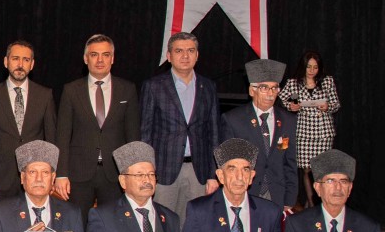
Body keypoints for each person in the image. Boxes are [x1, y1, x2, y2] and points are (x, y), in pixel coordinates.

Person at [54, 35, 141, 216]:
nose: (100, 60)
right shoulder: (71, 90)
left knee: (114, 224)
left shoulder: (127, 89)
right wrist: (61, 174)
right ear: (86, 59)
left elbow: (133, 137)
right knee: (77, 224)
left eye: (105, 54)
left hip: (115, 174)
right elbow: (62, 135)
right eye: (94, 55)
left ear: (112, 58)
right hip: (79, 173)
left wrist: (132, 174)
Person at [140, 32, 222, 221]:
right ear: (169, 56)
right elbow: (145, 133)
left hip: (199, 171)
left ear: (197, 55)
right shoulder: (154, 86)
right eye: (179, 51)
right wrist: (147, 172)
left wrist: (213, 175)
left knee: (195, 225)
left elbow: (214, 133)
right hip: (163, 171)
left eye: (190, 51)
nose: (185, 56)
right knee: (163, 223)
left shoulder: (208, 87)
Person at [0, 41, 56, 201]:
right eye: (15, 59)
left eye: (26, 60)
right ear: (6, 62)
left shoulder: (45, 95)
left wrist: (52, 175)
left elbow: (51, 139)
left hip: (34, 178)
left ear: (32, 64)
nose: (20, 64)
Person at [222, 59, 298, 212]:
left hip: (276, 194)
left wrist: (290, 198)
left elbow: (289, 162)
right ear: (252, 90)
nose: (270, 93)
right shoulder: (233, 120)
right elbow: (227, 164)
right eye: (264, 88)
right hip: (245, 193)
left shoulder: (287, 120)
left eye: (274, 88)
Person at [279, 51, 341, 208]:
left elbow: (336, 104)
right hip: (304, 133)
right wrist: (291, 106)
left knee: (321, 170)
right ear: (303, 67)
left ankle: (318, 202)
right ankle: (312, 204)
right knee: (307, 169)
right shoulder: (294, 84)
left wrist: (328, 106)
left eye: (315, 67)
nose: (312, 70)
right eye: (309, 67)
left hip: (323, 133)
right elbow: (283, 100)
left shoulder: (327, 82)